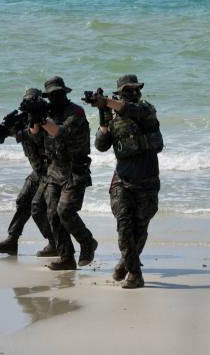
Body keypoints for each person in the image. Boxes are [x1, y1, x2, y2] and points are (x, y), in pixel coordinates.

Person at [92, 75, 162, 289]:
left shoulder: (146, 109)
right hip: (122, 182)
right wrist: (104, 123)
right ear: (119, 92)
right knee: (124, 227)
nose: (134, 92)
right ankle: (135, 274)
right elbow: (101, 146)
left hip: (147, 182)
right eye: (128, 89)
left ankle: (126, 263)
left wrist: (107, 102)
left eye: (136, 88)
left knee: (139, 231)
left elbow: (134, 110)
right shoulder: (114, 119)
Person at [31, 76, 97, 271]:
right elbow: (34, 133)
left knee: (65, 211)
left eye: (59, 93)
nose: (56, 96)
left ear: (65, 93)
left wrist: (43, 119)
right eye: (52, 94)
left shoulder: (76, 111)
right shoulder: (47, 112)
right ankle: (67, 258)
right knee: (51, 213)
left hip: (75, 169)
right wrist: (34, 115)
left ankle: (87, 242)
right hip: (55, 170)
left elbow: (62, 131)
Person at [0, 88, 57, 257]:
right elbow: (18, 129)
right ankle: (12, 240)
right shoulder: (24, 119)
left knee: (37, 207)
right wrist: (3, 129)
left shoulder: (46, 119)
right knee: (22, 200)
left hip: (51, 171)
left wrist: (13, 133)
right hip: (38, 171)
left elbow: (34, 135)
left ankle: (54, 242)